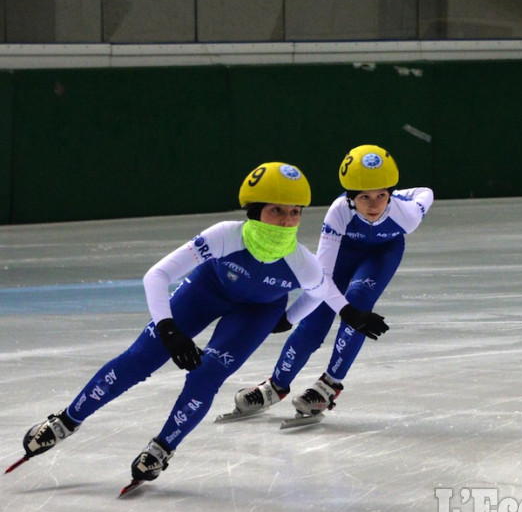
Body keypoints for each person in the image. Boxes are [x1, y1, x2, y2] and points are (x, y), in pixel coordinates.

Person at [8, 162, 356, 487]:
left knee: (206, 375)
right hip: (207, 291)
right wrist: (168, 329)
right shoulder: (226, 235)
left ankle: (162, 447)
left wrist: (287, 318)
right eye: (277, 210)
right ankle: (66, 420)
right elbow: (157, 275)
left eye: (295, 212)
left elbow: (319, 293)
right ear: (255, 210)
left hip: (257, 313)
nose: (286, 220)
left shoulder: (302, 263)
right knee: (141, 357)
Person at [226, 144, 433, 420]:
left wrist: (400, 196)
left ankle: (329, 385)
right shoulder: (339, 211)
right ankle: (276, 386)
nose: (374, 205)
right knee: (316, 316)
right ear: (349, 198)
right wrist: (293, 316)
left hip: (382, 255)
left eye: (382, 195)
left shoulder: (407, 214)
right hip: (344, 253)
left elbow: (425, 193)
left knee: (359, 299)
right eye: (364, 197)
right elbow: (320, 279)